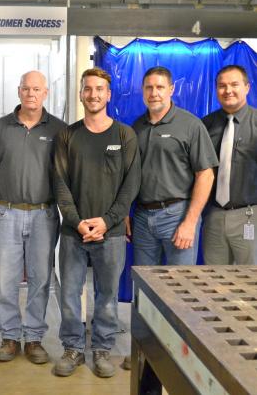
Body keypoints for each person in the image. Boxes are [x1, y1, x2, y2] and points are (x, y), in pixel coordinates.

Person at [53, 67, 140, 378]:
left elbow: (131, 184)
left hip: (112, 233)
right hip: (73, 233)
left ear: (109, 94)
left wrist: (107, 221)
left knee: (106, 295)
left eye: (99, 89)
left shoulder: (124, 135)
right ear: (81, 93)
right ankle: (73, 348)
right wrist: (77, 222)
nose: (93, 94)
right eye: (88, 89)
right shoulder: (67, 135)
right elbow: (60, 183)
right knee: (69, 293)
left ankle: (102, 348)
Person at [0, 70, 66, 364]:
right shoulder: (1, 127)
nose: (31, 94)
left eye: (37, 89)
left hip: (44, 214)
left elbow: (65, 174)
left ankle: (33, 338)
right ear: (19, 91)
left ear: (46, 93)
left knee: (41, 278)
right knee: (4, 278)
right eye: (26, 89)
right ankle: (8, 336)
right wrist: (9, 195)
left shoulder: (59, 129)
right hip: (7, 212)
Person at [131, 66, 218, 266]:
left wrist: (190, 222)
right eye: (149, 88)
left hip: (177, 215)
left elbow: (206, 174)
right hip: (142, 217)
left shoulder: (191, 125)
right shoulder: (136, 127)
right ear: (142, 91)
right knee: (144, 285)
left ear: (171, 90)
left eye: (160, 87)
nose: (154, 93)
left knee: (181, 287)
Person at [202, 65, 256, 264]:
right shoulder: (205, 125)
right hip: (214, 216)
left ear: (247, 87)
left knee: (250, 281)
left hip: (250, 215)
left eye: (234, 84)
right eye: (222, 86)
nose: (228, 90)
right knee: (214, 280)